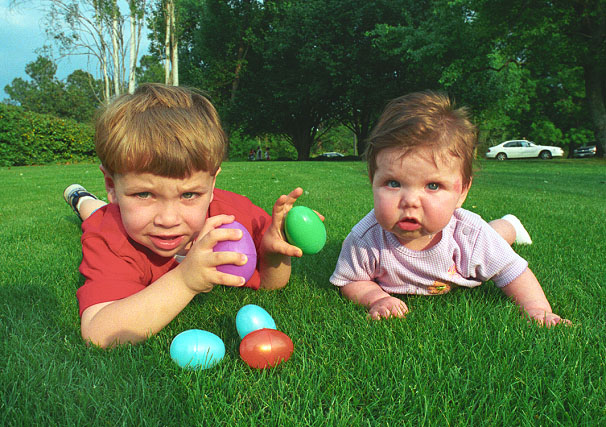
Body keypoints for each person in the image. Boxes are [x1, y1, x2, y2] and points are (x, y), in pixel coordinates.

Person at [64, 83, 310, 348]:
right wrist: (185, 280)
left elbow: (271, 286)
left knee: (103, 210)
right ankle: (80, 198)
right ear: (112, 186)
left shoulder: (234, 217)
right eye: (143, 195)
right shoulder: (109, 235)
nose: (168, 220)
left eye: (189, 195)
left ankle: (91, 199)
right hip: (105, 214)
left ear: (212, 185)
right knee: (94, 213)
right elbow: (99, 334)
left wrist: (275, 255)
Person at [330, 91, 569, 327]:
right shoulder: (365, 239)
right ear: (373, 180)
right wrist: (377, 298)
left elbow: (512, 271)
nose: (410, 201)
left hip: (478, 236)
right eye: (393, 183)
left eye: (432, 186)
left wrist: (538, 310)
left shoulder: (470, 235)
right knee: (490, 238)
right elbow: (352, 280)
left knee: (496, 237)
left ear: (462, 192)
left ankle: (511, 224)